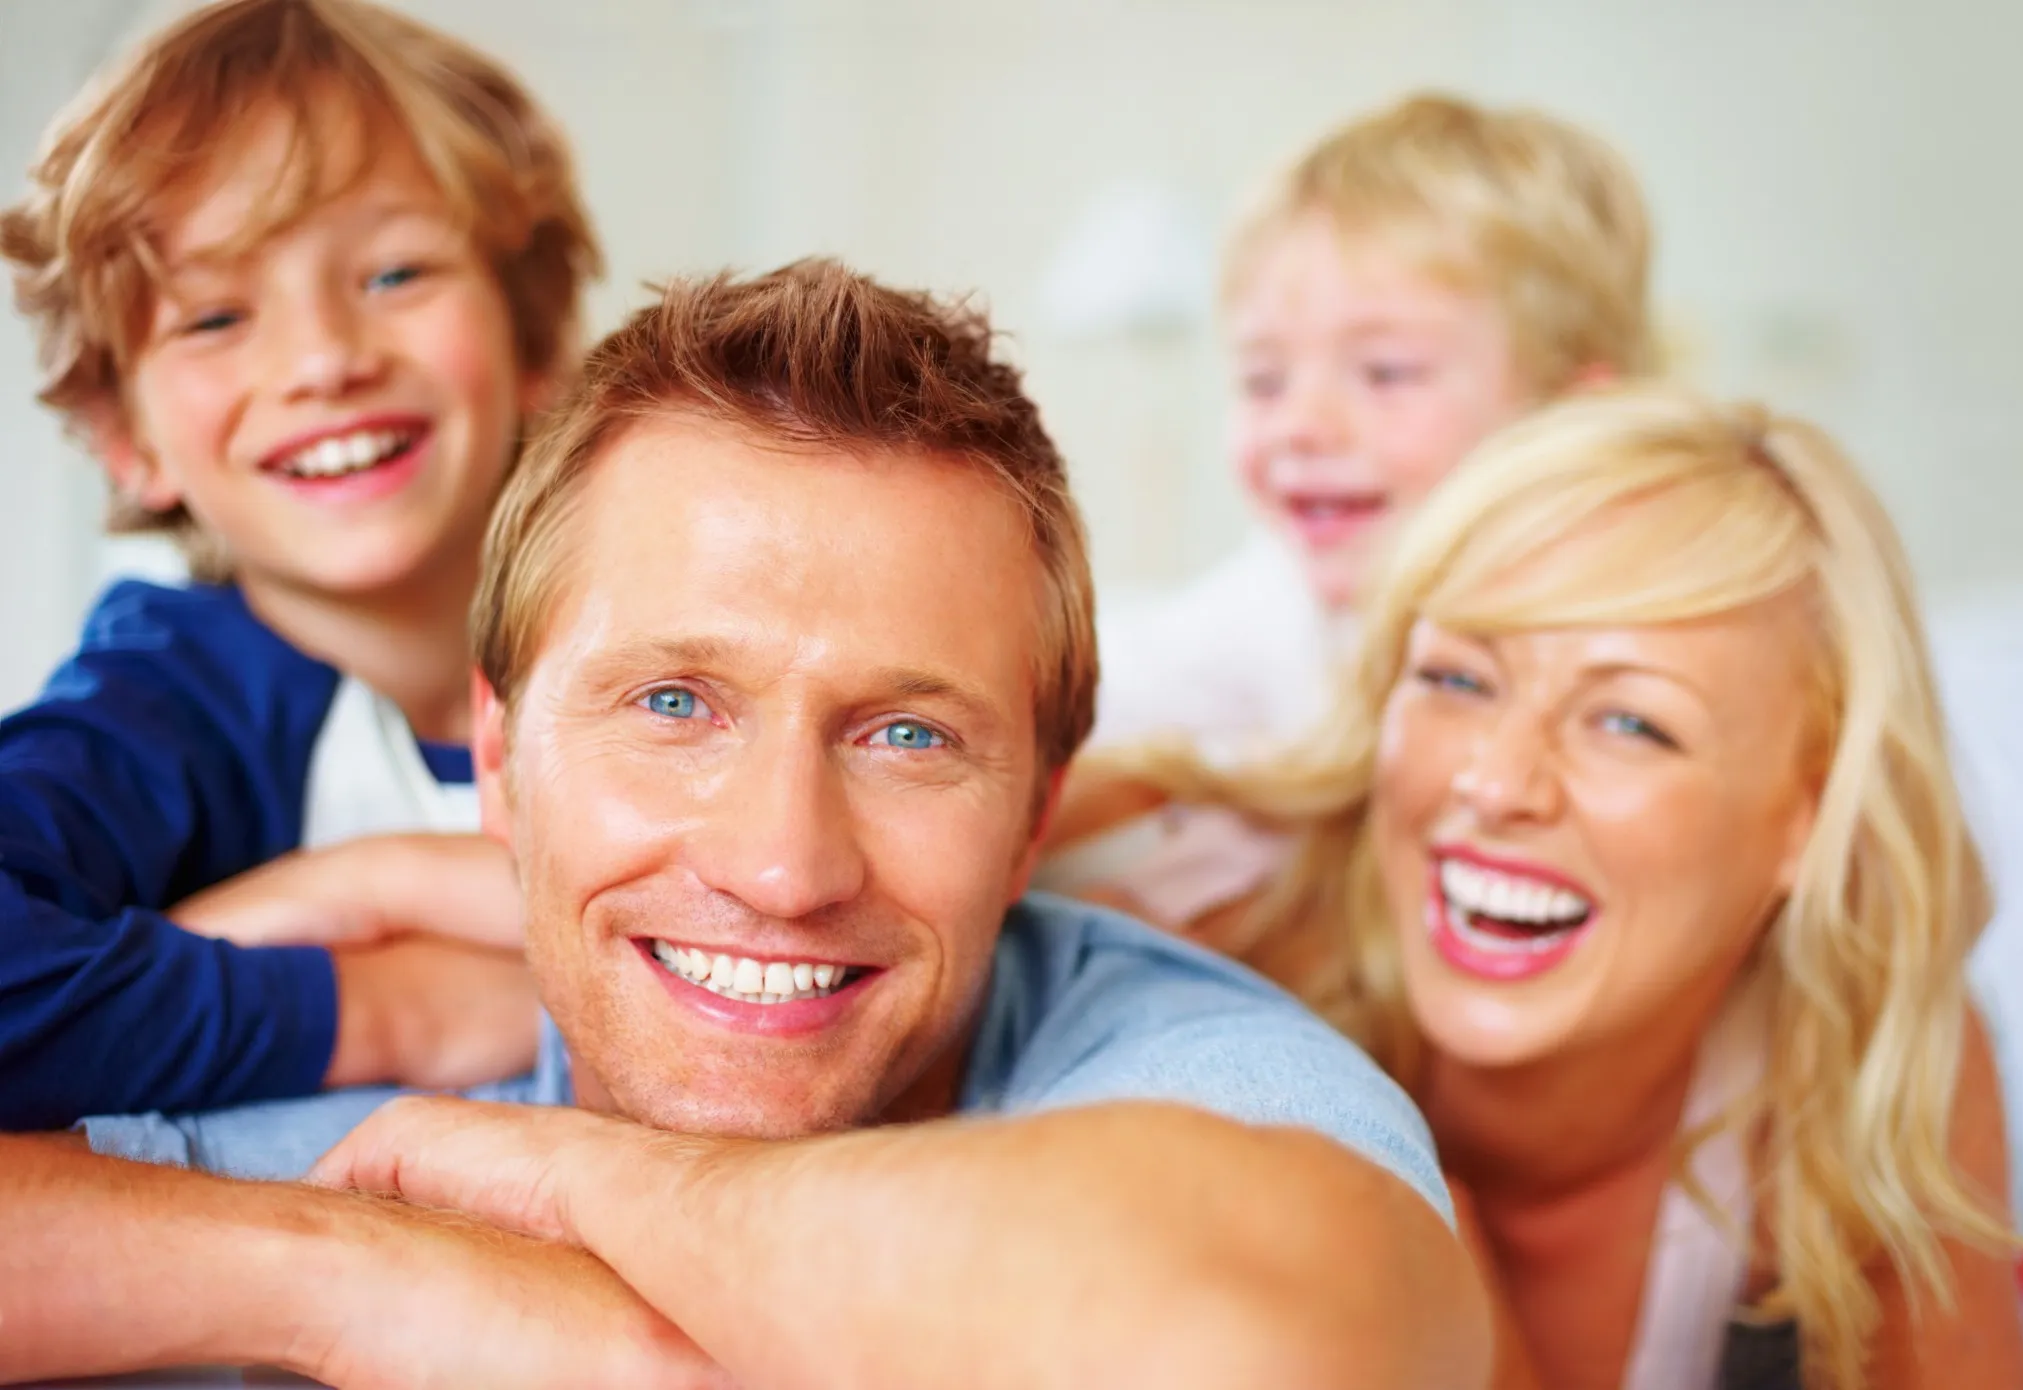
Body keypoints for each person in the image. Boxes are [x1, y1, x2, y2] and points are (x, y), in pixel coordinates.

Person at [7, 262, 1486, 1389]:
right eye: (673, 704)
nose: (782, 867)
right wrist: (345, 1274)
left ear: (1036, 812)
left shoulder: (1186, 1080)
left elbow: (1277, 1335)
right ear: (505, 759)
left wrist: (588, 1186)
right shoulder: (356, 1118)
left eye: (909, 735)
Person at [1103, 384, 2023, 1388]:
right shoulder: (1218, 974)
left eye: (1629, 722)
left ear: (1805, 823)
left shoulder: (1866, 1054)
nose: (1494, 782)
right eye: (1457, 679)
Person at [0, 0, 601, 1128]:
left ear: (529, 340)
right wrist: (381, 1007)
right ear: (128, 442)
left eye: (394, 274)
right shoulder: (165, 703)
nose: (325, 359)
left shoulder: (655, 625)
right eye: (216, 316)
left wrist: (367, 888)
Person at [1042, 93, 1657, 926]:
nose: (1299, 423)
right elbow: (1103, 685)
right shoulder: (1280, 597)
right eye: (1263, 379)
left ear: (1568, 417)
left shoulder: (1628, 622)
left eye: (1386, 373)